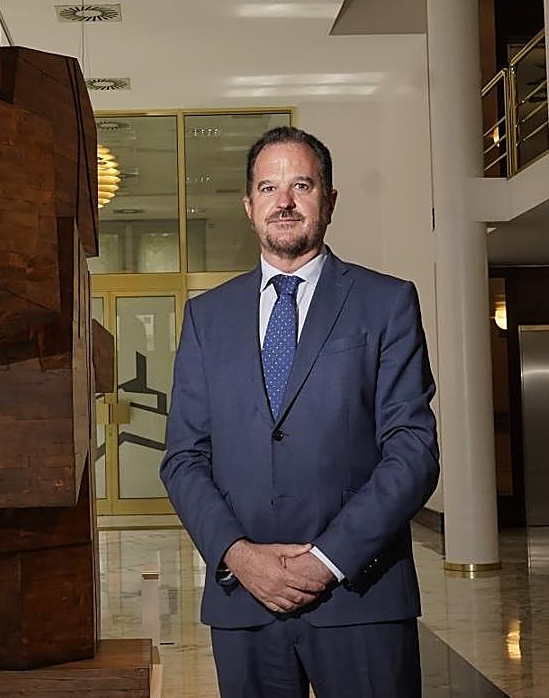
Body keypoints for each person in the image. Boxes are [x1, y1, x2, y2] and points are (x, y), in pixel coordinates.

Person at [160, 126, 439, 697]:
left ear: (329, 201)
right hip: (245, 603)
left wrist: (328, 559)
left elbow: (412, 450)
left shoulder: (385, 302)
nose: (283, 202)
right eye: (268, 188)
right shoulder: (206, 318)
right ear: (249, 206)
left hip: (360, 595)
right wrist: (239, 557)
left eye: (301, 185)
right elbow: (184, 458)